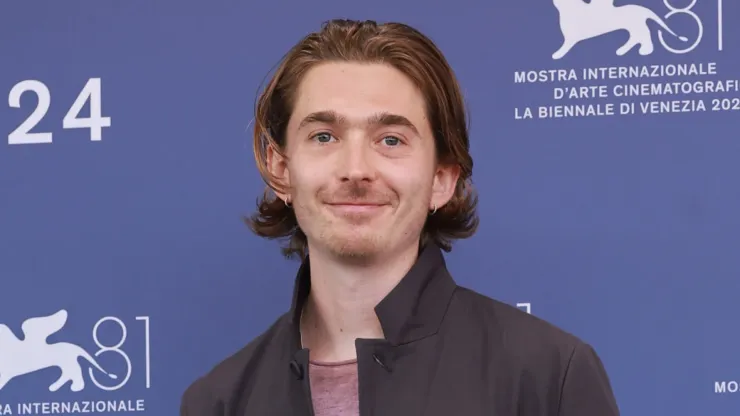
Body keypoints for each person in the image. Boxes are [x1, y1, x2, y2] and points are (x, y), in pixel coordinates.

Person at [180, 19, 620, 416]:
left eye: (390, 140)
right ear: (281, 170)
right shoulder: (218, 401)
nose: (356, 169)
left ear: (442, 179)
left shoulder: (548, 377)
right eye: (324, 136)